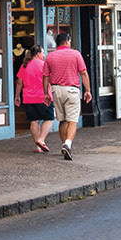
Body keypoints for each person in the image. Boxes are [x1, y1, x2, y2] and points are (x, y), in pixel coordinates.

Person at [44, 29, 90, 160]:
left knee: (62, 119)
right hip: (72, 90)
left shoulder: (50, 56)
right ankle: (68, 144)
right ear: (67, 41)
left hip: (56, 90)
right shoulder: (75, 54)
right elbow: (83, 73)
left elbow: (45, 76)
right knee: (72, 120)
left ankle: (64, 145)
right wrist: (88, 90)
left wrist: (45, 93)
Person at [15, 45, 54, 152]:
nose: (44, 55)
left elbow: (19, 82)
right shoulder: (44, 64)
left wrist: (17, 96)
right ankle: (41, 140)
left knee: (34, 121)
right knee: (49, 119)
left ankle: (37, 146)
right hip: (42, 96)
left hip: (28, 98)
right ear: (38, 54)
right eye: (43, 53)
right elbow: (50, 79)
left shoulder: (24, 65)